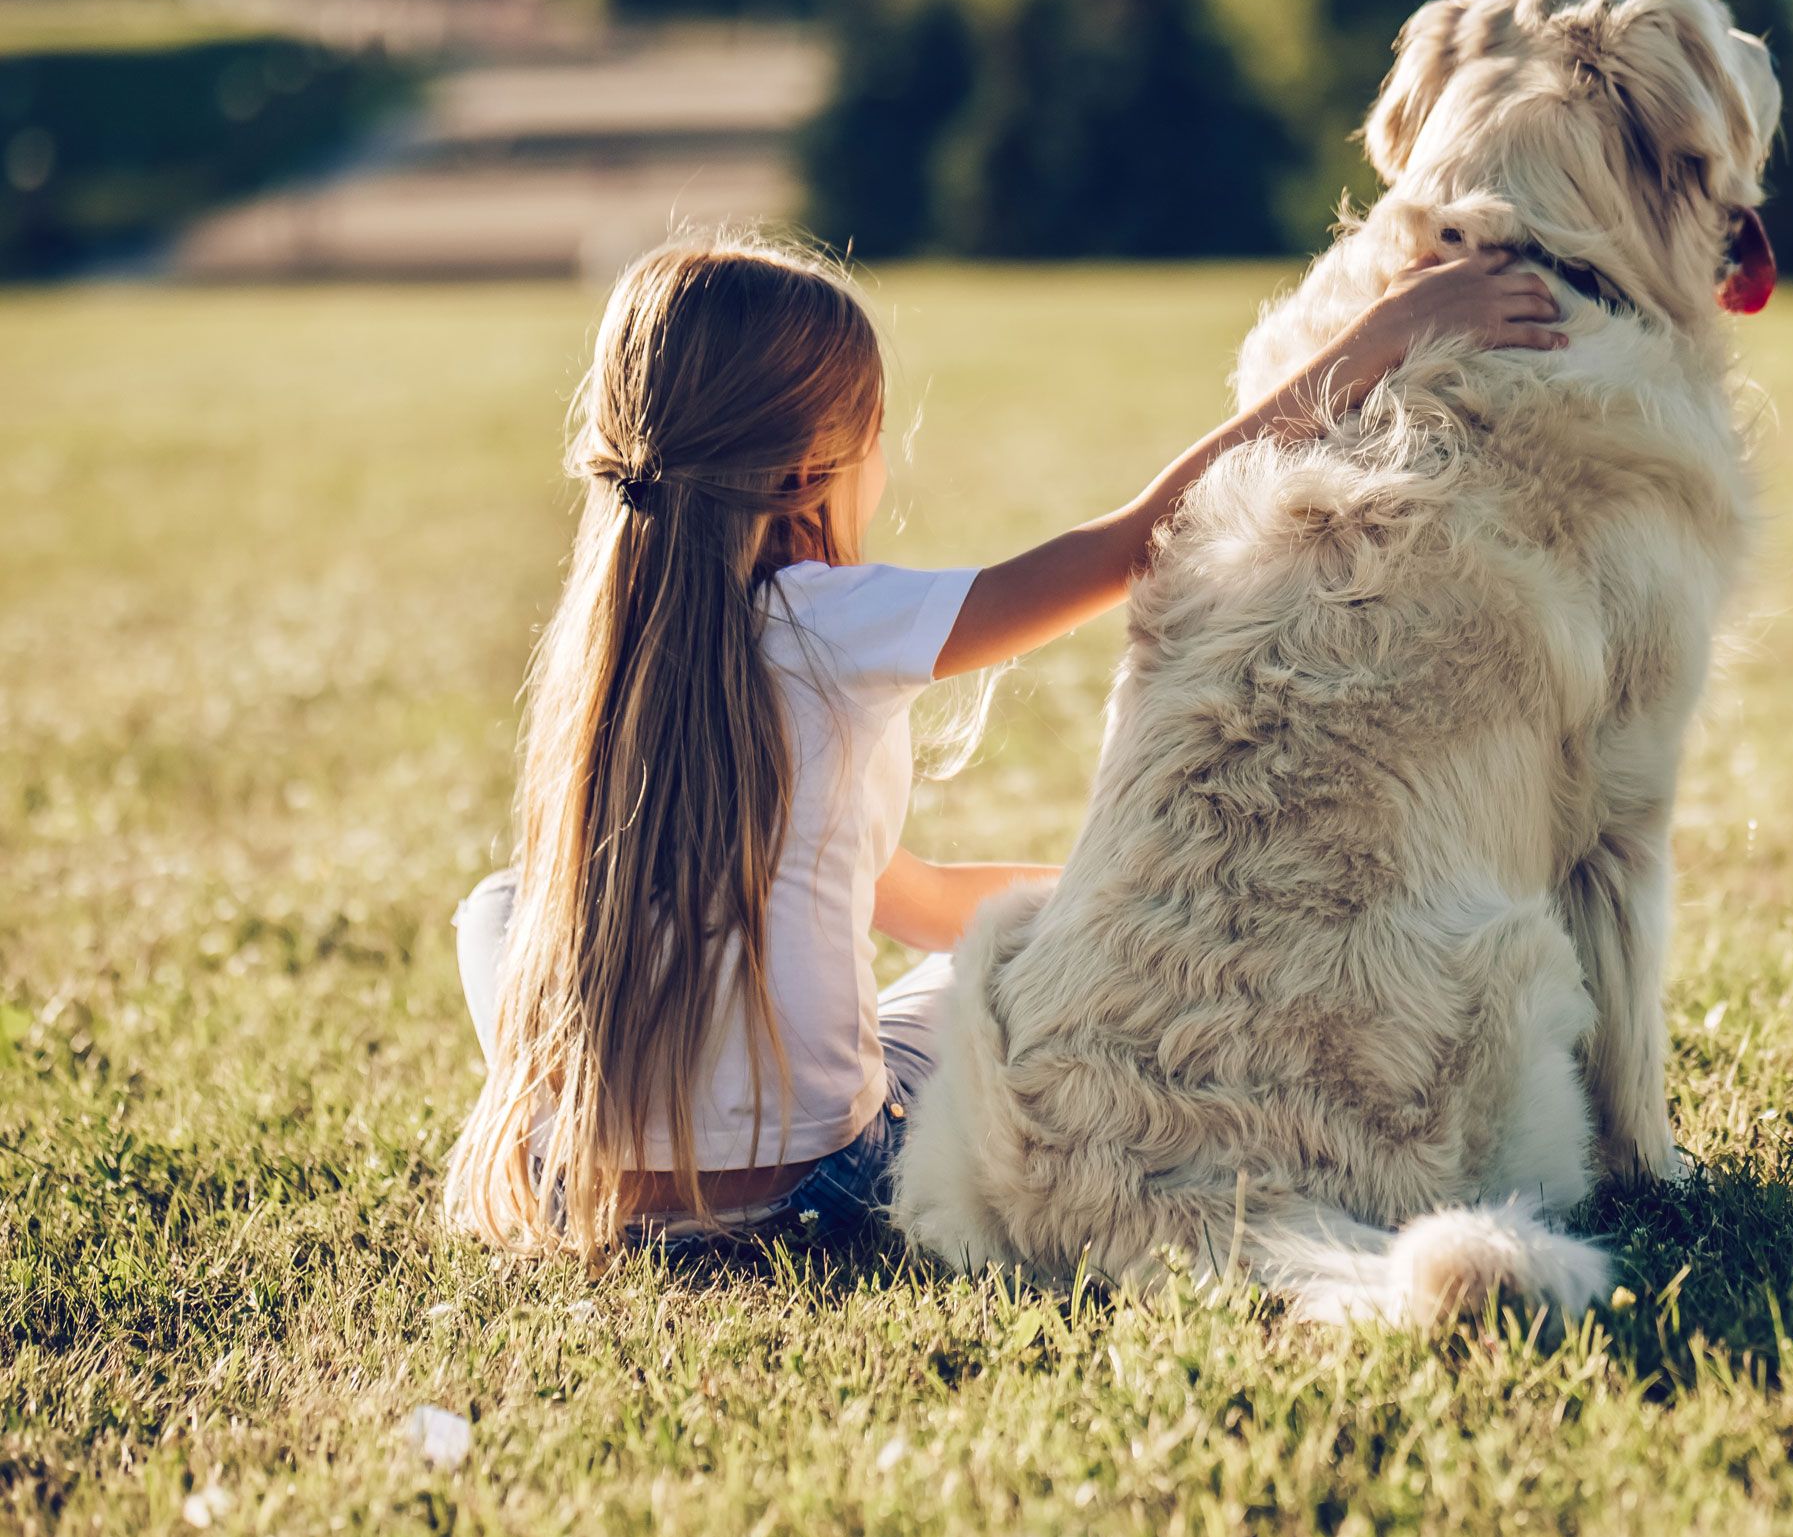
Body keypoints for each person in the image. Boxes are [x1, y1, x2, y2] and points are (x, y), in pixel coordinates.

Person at [444, 231, 1562, 1256]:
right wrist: (1377, 340)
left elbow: (912, 894)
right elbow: (1138, 539)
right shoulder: (824, 620)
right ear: (802, 477)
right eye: (871, 441)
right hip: (816, 1188)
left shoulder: (608, 660)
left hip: (586, 1185)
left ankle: (593, 1131)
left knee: (500, 909)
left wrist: (1105, 893)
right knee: (986, 986)